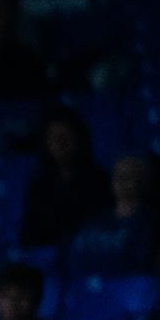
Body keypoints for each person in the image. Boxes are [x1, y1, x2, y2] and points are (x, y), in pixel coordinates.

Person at [17, 108, 108, 251]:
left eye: (65, 135)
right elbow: (29, 235)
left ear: (79, 138)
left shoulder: (100, 180)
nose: (59, 142)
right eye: (53, 136)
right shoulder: (39, 186)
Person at [68, 155, 160, 275]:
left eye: (129, 175)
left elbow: (141, 266)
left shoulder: (152, 223)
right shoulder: (94, 222)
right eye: (117, 174)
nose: (121, 179)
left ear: (144, 181)